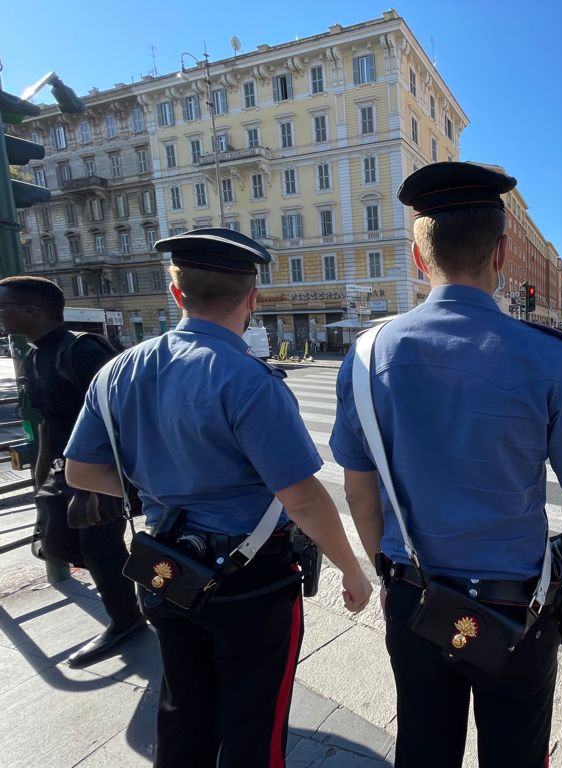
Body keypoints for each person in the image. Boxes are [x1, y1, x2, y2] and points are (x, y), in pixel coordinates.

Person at [331, 162, 562, 768]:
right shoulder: (548, 360)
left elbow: (360, 500)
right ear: (502, 252)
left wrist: (389, 572)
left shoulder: (363, 359)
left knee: (422, 747)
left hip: (416, 601)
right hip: (519, 610)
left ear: (419, 258)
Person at [63, 228, 373, 768]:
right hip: (249, 580)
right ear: (251, 298)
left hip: (166, 564)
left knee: (183, 704)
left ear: (176, 292)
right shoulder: (249, 379)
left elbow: (81, 471)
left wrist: (160, 485)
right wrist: (351, 568)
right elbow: (301, 497)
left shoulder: (116, 370)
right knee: (255, 716)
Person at [0, 275, 144, 668]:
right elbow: (49, 422)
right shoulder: (35, 355)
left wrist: (126, 481)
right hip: (67, 473)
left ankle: (127, 619)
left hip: (102, 472)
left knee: (101, 549)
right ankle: (133, 608)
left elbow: (129, 416)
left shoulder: (82, 351)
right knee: (74, 546)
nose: (0, 314)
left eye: (4, 306)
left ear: (33, 310)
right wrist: (41, 477)